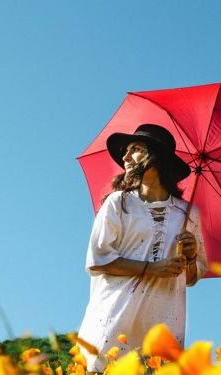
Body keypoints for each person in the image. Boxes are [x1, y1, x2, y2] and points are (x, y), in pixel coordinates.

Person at [77, 124, 208, 372]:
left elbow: (192, 277)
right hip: (114, 317)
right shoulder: (119, 203)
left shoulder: (189, 215)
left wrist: (190, 257)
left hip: (163, 321)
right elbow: (98, 260)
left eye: (135, 149)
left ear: (156, 157)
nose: (125, 157)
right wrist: (152, 268)